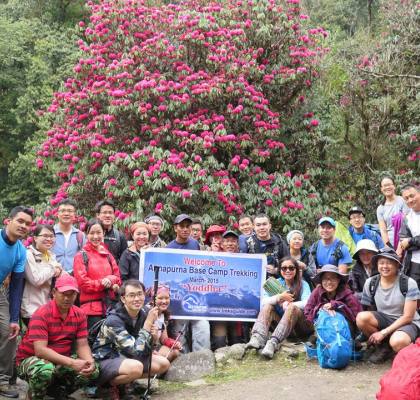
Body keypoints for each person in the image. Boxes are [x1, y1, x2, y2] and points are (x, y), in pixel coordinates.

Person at [16, 275, 98, 400]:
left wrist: (90, 363)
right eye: (63, 293)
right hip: (30, 359)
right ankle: (33, 396)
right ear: (54, 292)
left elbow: (82, 344)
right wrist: (72, 363)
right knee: (44, 370)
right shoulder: (41, 313)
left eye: (72, 294)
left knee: (93, 370)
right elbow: (40, 350)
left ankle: (57, 392)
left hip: (60, 358)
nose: (67, 298)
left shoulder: (79, 314)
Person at [92, 280, 170, 399]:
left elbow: (143, 347)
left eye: (139, 294)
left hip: (126, 357)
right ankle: (106, 387)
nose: (137, 299)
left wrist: (153, 340)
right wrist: (148, 324)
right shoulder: (113, 320)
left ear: (145, 295)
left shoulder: (143, 314)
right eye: (132, 295)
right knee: (136, 367)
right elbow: (134, 350)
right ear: (123, 299)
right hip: (105, 360)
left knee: (163, 363)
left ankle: (124, 383)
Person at [357, 247, 420, 363]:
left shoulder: (408, 283)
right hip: (384, 318)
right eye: (381, 263)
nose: (385, 266)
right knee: (361, 318)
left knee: (398, 342)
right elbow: (369, 308)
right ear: (376, 265)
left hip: (407, 322)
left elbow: (408, 317)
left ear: (397, 265)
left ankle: (404, 349)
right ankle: (383, 347)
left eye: (389, 263)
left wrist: (383, 332)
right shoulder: (371, 283)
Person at [246, 257, 312, 359]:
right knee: (268, 306)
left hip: (300, 326)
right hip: (283, 326)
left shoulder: (303, 284)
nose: (288, 271)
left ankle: (273, 342)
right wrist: (279, 297)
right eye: (284, 268)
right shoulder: (274, 283)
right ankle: (257, 337)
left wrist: (290, 305)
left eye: (291, 268)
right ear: (280, 270)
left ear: (296, 269)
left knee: (292, 308)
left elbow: (307, 303)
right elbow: (263, 302)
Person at [0, 206, 33, 398]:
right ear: (8, 221)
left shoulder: (21, 251)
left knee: (9, 332)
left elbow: (16, 287)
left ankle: (3, 380)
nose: (24, 226)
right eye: (20, 221)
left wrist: (14, 319)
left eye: (27, 224)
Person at [166, 214, 209, 352]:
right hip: (178, 298)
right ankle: (182, 361)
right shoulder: (168, 248)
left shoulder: (194, 244)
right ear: (175, 228)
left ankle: (202, 359)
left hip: (196, 296)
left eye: (188, 227)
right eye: (182, 226)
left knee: (202, 328)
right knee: (179, 332)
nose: (185, 229)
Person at [73, 218, 121, 329]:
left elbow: (118, 278)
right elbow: (83, 284)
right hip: (90, 310)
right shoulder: (81, 256)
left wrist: (110, 279)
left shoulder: (108, 254)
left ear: (103, 233)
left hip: (110, 307)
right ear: (86, 234)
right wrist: (103, 283)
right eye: (92, 233)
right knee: (94, 342)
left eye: (98, 232)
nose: (95, 236)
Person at [21, 224, 64, 327]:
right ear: (35, 238)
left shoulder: (50, 255)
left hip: (49, 309)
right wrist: (54, 268)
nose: (49, 239)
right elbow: (36, 280)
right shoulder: (28, 255)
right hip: (32, 310)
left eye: (52, 236)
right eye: (45, 236)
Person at [304, 264, 361, 339]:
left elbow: (357, 315)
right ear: (321, 281)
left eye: (333, 278)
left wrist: (337, 306)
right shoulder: (317, 292)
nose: (329, 282)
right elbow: (307, 312)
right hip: (323, 326)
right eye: (325, 279)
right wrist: (321, 309)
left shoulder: (346, 293)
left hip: (344, 328)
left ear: (338, 280)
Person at [245, 214, 289, 278]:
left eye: (264, 224)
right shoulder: (248, 243)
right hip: (253, 280)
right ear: (253, 227)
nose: (262, 228)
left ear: (270, 226)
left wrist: (276, 270)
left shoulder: (279, 242)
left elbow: (289, 263)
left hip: (275, 282)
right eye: (258, 225)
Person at [147, 284, 182, 362]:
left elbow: (164, 339)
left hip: (156, 346)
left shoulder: (163, 315)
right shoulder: (146, 313)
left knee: (176, 352)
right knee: (162, 359)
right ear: (153, 299)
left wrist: (173, 343)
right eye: (160, 298)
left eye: (167, 298)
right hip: (145, 349)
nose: (164, 301)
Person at [52, 198, 86, 274]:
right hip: (52, 279)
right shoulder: (50, 234)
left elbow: (86, 259)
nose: (66, 214)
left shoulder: (80, 235)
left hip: (74, 280)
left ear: (74, 214)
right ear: (57, 214)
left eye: (70, 211)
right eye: (63, 211)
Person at [377, 176, 408, 249]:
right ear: (381, 189)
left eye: (389, 184)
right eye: (384, 186)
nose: (387, 187)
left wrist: (399, 248)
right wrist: (388, 248)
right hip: (391, 245)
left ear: (394, 186)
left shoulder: (403, 201)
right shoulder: (380, 209)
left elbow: (407, 225)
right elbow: (383, 231)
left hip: (405, 242)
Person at [398, 183, 420, 289]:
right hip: (414, 263)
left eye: (412, 196)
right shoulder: (407, 218)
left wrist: (410, 241)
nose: (410, 200)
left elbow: (407, 242)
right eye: (406, 198)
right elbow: (403, 242)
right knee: (415, 297)